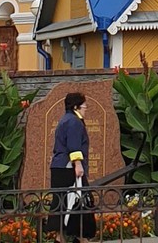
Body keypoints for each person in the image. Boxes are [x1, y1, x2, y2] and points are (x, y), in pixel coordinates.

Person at [48, 92, 89, 242]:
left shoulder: (66, 119)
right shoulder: (74, 122)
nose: (86, 107)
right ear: (76, 106)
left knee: (62, 201)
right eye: (84, 104)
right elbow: (73, 145)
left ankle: (61, 237)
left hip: (60, 167)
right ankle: (80, 237)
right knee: (78, 201)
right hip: (68, 168)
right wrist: (78, 164)